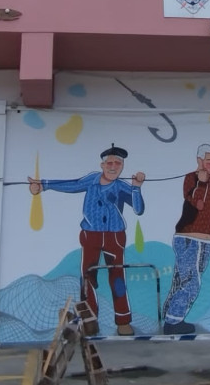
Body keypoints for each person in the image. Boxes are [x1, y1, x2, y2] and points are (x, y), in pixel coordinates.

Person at [28, 144, 145, 336]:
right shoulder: (92, 180)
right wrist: (43, 185)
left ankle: (123, 320)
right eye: (110, 163)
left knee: (117, 277)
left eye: (118, 163)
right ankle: (89, 319)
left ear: (122, 166)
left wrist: (137, 189)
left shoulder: (123, 186)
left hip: (114, 236)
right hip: (90, 234)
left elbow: (139, 209)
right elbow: (72, 184)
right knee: (87, 277)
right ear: (102, 164)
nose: (113, 167)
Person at [163, 143, 210, 335]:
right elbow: (197, 203)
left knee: (188, 280)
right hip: (189, 238)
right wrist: (201, 183)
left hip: (206, 242)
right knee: (191, 282)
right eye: (209, 161)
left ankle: (173, 319)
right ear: (199, 160)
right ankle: (173, 322)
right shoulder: (191, 178)